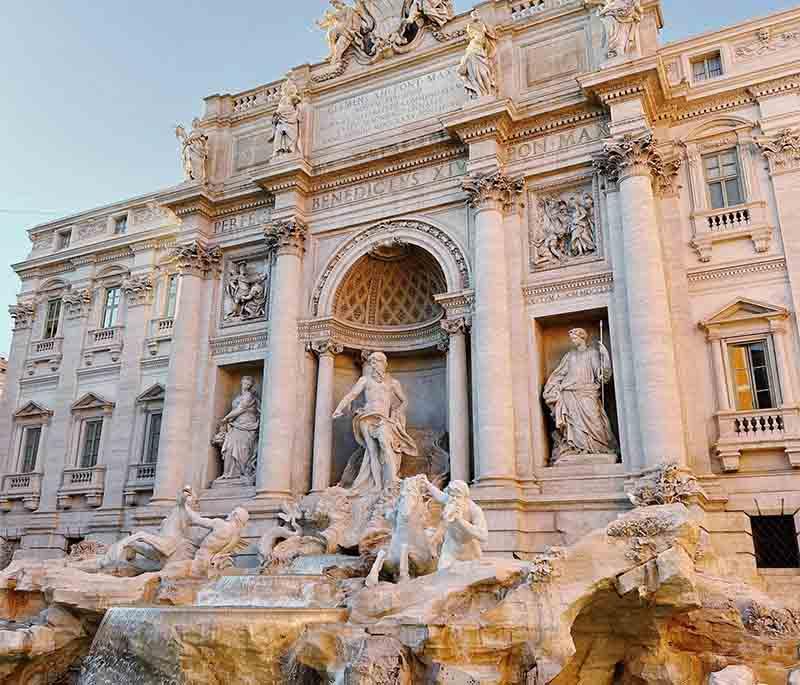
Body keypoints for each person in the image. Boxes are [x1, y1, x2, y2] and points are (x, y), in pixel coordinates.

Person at [333, 351, 419, 492]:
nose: (373, 364)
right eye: (372, 361)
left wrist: (396, 413)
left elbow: (404, 401)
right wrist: (339, 408)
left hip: (383, 419)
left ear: (384, 364)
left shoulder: (393, 383)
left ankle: (392, 477)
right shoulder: (365, 380)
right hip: (367, 417)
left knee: (385, 443)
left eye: (376, 361)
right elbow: (352, 395)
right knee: (372, 452)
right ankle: (378, 485)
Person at [543, 328, 618, 463]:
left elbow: (600, 374)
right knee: (573, 423)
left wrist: (604, 362)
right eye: (572, 339)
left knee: (594, 419)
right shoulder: (570, 355)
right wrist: (553, 387)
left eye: (575, 338)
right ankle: (576, 448)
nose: (573, 341)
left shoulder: (593, 353)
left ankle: (598, 447)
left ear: (582, 337)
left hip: (588, 392)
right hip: (569, 392)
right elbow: (560, 373)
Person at [424, 478, 488, 570]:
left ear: (465, 497)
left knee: (472, 577)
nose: (454, 500)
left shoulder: (474, 509)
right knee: (443, 572)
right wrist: (426, 483)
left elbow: (483, 535)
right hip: (451, 548)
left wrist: (461, 521)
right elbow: (439, 495)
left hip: (470, 550)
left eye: (457, 497)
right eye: (451, 496)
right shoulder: (450, 500)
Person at [187, 506, 250, 576]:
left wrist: (184, 505)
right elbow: (221, 553)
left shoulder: (220, 524)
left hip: (200, 557)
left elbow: (196, 520)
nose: (230, 514)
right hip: (212, 561)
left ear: (235, 515)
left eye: (232, 512)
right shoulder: (236, 537)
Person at [218, 377, 260, 480]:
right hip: (236, 424)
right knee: (229, 446)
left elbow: (240, 409)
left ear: (251, 386)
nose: (246, 385)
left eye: (248, 384)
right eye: (244, 383)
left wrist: (226, 418)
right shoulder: (238, 397)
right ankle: (228, 473)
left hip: (247, 425)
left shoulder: (249, 396)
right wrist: (229, 420)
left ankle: (241, 472)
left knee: (243, 448)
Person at [458, 11, 498, 98]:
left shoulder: (482, 35)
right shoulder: (472, 43)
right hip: (473, 56)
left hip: (480, 56)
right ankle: (482, 92)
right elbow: (461, 70)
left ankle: (487, 93)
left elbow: (490, 37)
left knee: (484, 74)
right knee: (479, 75)